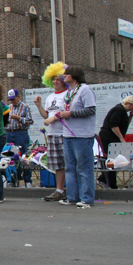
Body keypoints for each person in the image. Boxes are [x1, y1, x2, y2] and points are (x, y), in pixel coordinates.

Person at [57, 66, 97, 208]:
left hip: (82, 135)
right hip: (68, 134)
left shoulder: (85, 90)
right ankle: (72, 197)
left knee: (84, 168)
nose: (64, 76)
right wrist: (62, 113)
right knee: (70, 167)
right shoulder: (69, 92)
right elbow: (68, 109)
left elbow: (91, 110)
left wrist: (71, 114)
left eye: (66, 74)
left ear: (74, 76)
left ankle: (86, 198)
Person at [33, 62, 69, 201]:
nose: (55, 81)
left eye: (58, 79)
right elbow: (45, 116)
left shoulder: (68, 94)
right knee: (58, 165)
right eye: (53, 79)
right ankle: (59, 190)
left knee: (68, 163)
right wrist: (39, 106)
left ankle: (71, 190)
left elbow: (66, 112)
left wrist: (53, 118)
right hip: (53, 134)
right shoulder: (50, 97)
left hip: (65, 133)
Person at [97, 95, 133, 189]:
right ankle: (107, 181)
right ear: (129, 104)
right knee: (112, 160)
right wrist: (121, 138)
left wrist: (130, 117)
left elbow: (124, 124)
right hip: (109, 137)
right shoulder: (118, 110)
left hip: (112, 138)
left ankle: (108, 181)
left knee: (115, 160)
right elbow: (114, 126)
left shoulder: (123, 111)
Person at [5, 89, 35, 187]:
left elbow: (30, 121)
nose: (12, 102)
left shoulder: (25, 107)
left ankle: (28, 180)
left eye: (14, 99)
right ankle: (12, 179)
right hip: (9, 133)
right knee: (10, 156)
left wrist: (19, 118)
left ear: (18, 97)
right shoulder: (8, 108)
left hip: (21, 133)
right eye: (11, 100)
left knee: (24, 156)